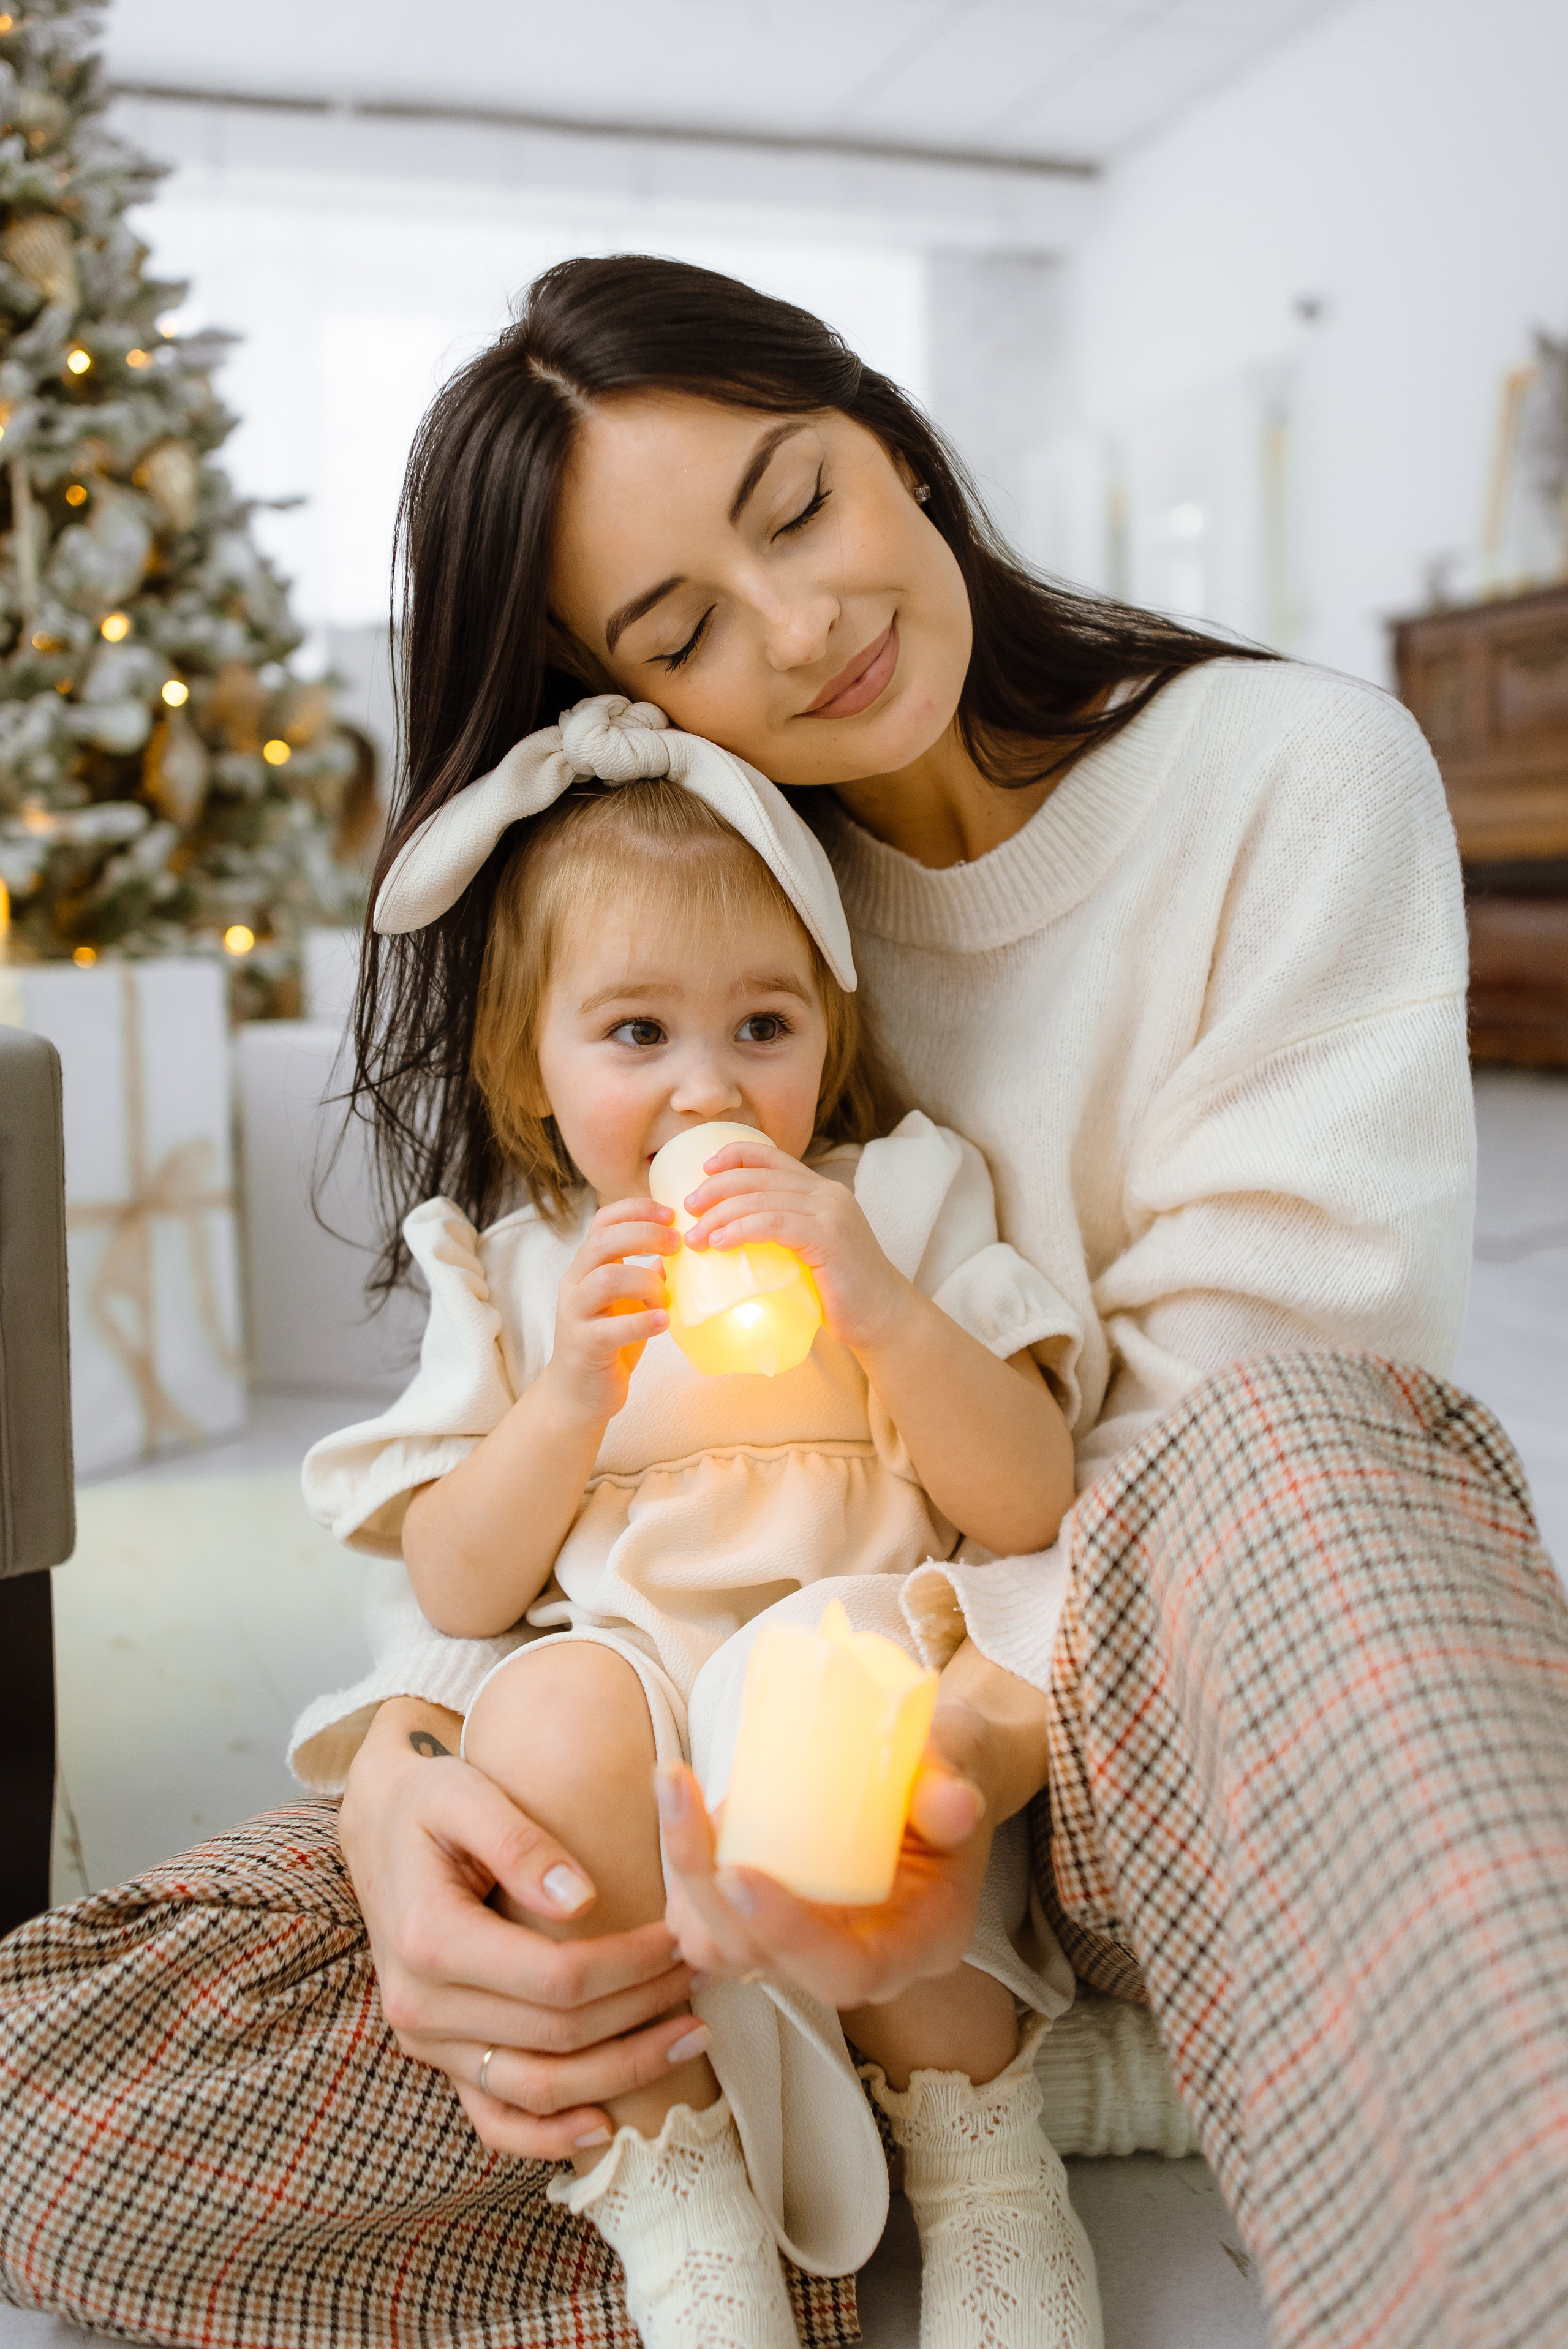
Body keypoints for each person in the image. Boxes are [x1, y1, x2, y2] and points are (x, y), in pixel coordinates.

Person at [2, 255, 1563, 2349]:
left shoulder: (1292, 778)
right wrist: (406, 1789)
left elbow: (1249, 1450)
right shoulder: (678, 923)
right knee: (75, 2101)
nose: (802, 621)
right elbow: (499, 1487)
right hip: (707, 1778)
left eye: (800, 501)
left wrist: (938, 1783)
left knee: (1292, 1455)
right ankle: (869, 2126)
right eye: (683, 630)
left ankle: (1030, 2076)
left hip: (1148, 1747)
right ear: (611, 701)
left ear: (895, 444)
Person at [290, 697, 1098, 2349]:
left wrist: (872, 1295)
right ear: (534, 1065)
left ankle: (984, 2150)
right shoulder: (516, 1270)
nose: (706, 1088)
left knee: (857, 1707)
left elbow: (1029, 1497)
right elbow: (458, 1574)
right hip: (647, 1709)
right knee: (547, 1705)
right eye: (637, 1033)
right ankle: (676, 2175)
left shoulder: (900, 1199)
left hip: (847, 1673)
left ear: (832, 1034)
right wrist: (571, 1393)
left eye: (761, 1026)